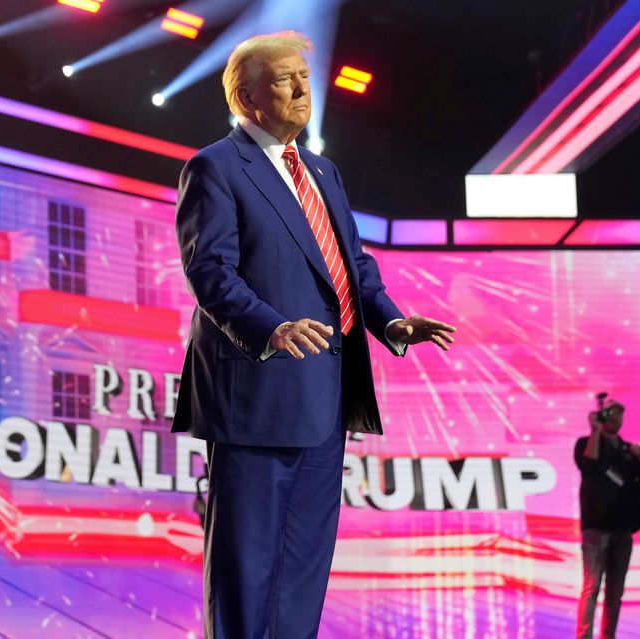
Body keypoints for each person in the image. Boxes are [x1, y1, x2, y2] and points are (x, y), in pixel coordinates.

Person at [171, 31, 456, 639]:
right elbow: (209, 271)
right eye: (284, 78)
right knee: (245, 570)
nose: (303, 88)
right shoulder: (215, 166)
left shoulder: (323, 170)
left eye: (304, 75)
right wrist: (271, 327)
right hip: (256, 396)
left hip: (327, 398)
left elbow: (352, 265)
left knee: (303, 570)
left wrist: (391, 320)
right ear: (248, 98)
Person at [573, 398, 640, 639]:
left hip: (623, 527)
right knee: (591, 587)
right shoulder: (586, 443)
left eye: (620, 413)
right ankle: (584, 636)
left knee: (615, 591)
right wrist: (595, 430)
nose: (615, 418)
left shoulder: (628, 451)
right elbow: (589, 463)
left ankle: (608, 636)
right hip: (596, 526)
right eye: (610, 413)